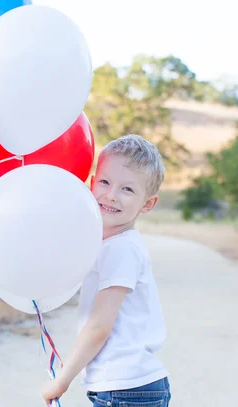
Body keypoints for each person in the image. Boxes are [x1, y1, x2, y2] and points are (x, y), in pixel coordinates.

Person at [41, 134, 171, 406]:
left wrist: (62, 380)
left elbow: (100, 326)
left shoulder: (120, 249)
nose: (111, 195)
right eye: (105, 182)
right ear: (91, 183)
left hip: (126, 390)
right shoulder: (109, 244)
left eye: (128, 189)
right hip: (130, 388)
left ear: (147, 204)